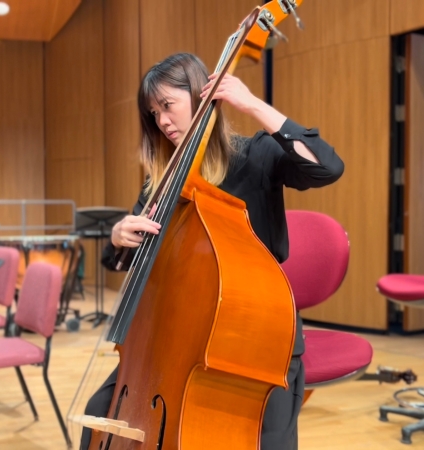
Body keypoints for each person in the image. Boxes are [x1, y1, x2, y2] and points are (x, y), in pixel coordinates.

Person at [79, 52, 344, 450]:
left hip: (253, 339)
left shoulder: (255, 156)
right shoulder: (162, 183)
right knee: (101, 413)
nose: (162, 121)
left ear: (204, 97)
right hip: (171, 342)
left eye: (168, 106)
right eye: (153, 114)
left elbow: (326, 167)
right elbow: (121, 261)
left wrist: (251, 103)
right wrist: (119, 237)